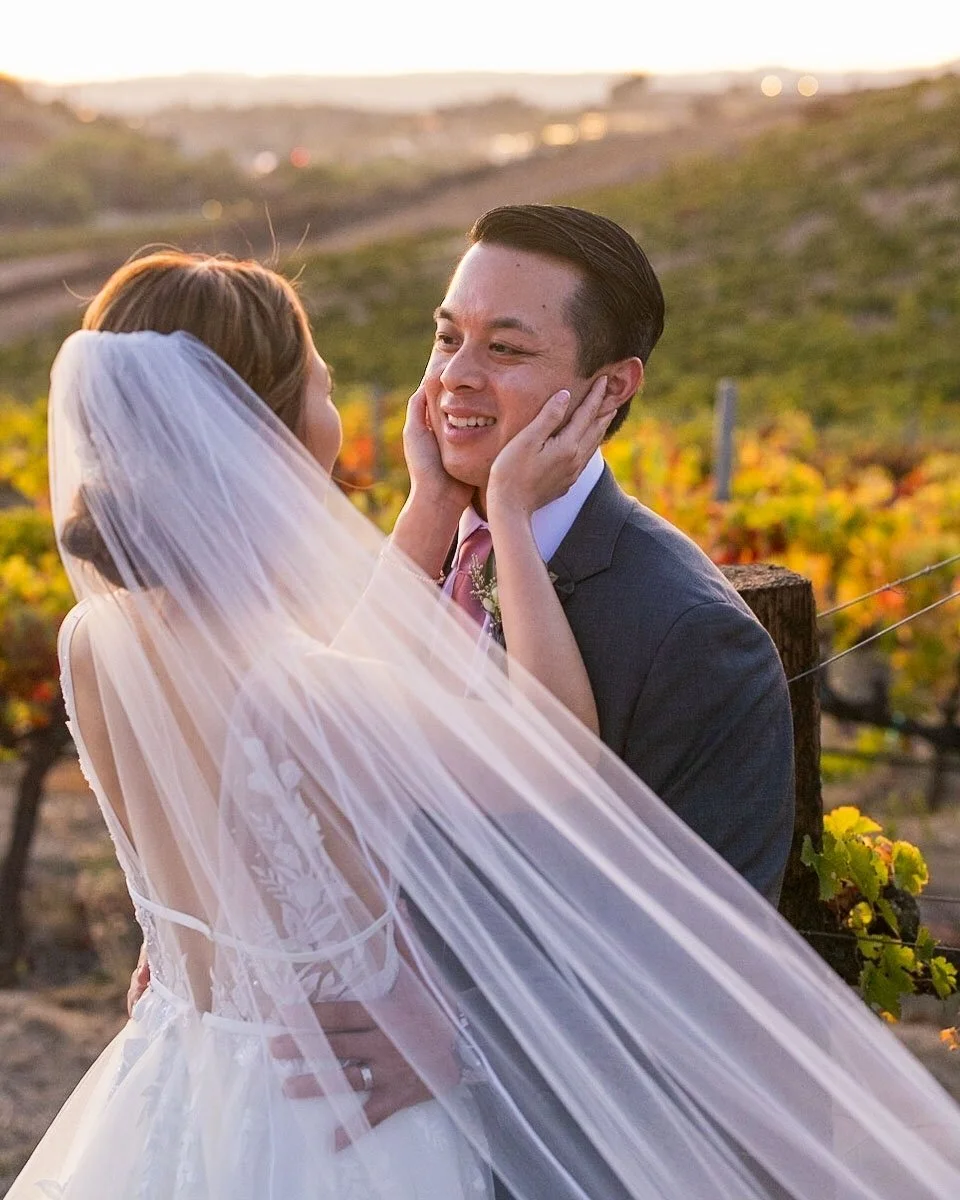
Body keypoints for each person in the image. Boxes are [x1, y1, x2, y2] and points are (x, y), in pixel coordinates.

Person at [15, 249, 960, 1200]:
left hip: (182, 1081)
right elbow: (553, 750)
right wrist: (509, 511)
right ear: (265, 433)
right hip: (335, 1126)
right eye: (325, 386)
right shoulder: (302, 684)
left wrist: (431, 506)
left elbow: (287, 741)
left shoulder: (97, 640)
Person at [286, 205, 796, 1161]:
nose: (457, 379)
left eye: (506, 349)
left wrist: (465, 1039)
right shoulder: (426, 539)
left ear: (608, 389)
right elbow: (326, 758)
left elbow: (705, 955)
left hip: (542, 1144)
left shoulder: (685, 632)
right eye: (448, 337)